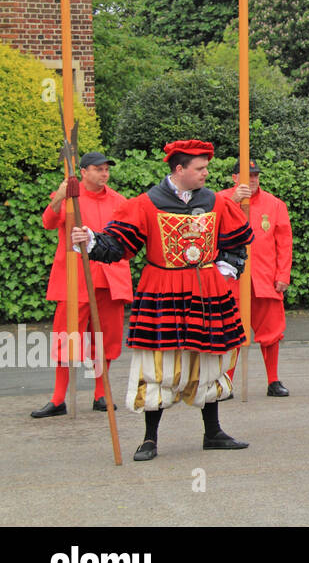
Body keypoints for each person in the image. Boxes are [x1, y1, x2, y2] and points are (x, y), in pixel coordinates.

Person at [71, 140, 254, 462]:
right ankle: (149, 439)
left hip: (206, 289)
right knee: (159, 362)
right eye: (199, 168)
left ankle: (213, 432)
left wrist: (226, 269)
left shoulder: (214, 201)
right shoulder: (146, 203)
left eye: (205, 168)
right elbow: (118, 246)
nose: (205, 174)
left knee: (208, 357)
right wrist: (91, 241)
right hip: (163, 289)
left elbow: (236, 242)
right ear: (179, 169)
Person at [31, 152, 133, 418]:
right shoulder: (70, 198)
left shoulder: (119, 201)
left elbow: (129, 240)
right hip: (75, 278)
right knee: (67, 337)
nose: (104, 174)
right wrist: (60, 196)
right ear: (84, 171)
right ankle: (58, 398)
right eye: (99, 169)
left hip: (109, 278)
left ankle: (102, 393)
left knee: (107, 340)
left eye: (106, 170)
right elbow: (48, 222)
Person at [217, 161, 293, 396]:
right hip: (231, 279)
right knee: (230, 330)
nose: (251, 180)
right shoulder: (220, 201)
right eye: (246, 176)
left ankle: (273, 380)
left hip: (264, 278)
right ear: (233, 178)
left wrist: (282, 275)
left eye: (255, 176)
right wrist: (233, 202)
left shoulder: (275, 204)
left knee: (272, 331)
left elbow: (284, 242)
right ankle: (226, 382)